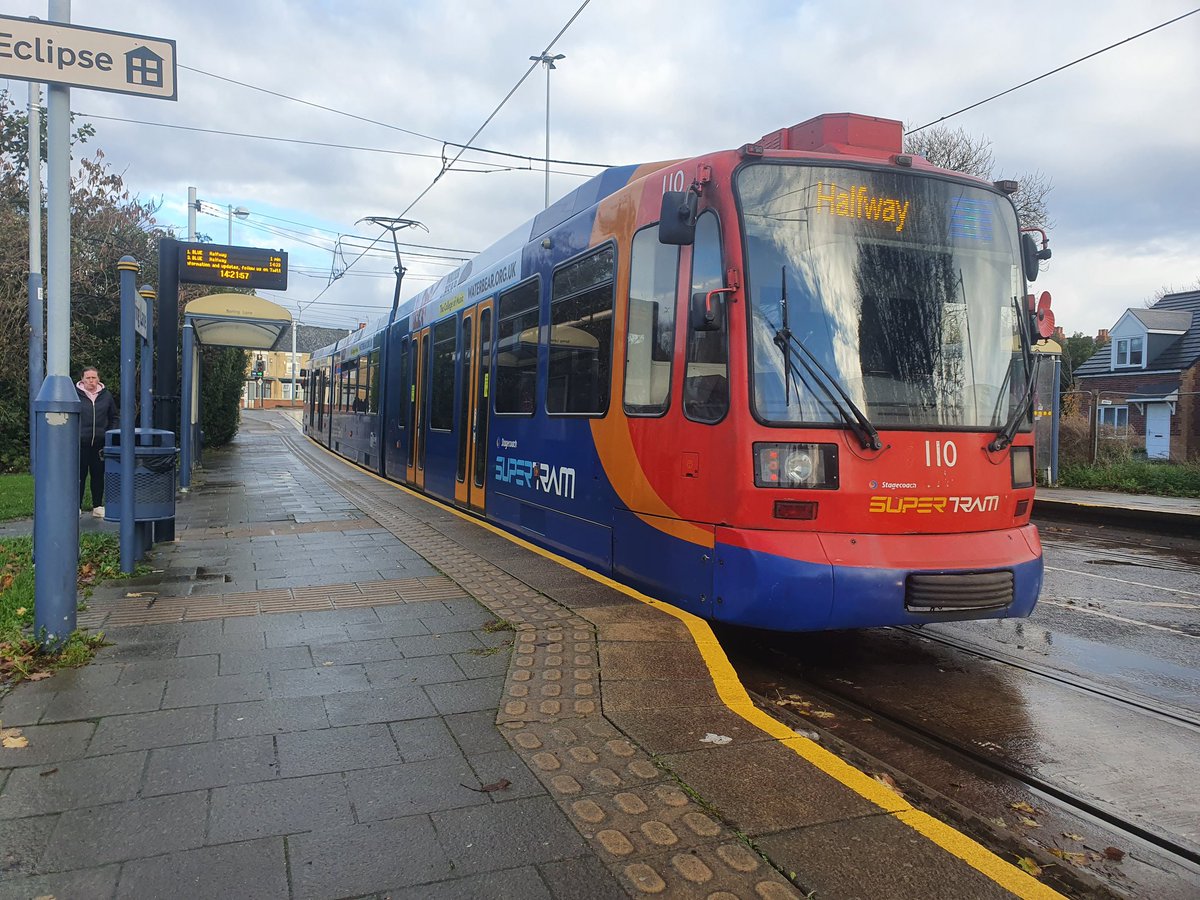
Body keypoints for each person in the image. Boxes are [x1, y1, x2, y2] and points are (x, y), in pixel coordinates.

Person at [77, 366, 118, 517]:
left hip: (100, 444)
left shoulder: (106, 396)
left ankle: (97, 506)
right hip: (80, 443)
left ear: (98, 379)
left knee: (98, 475)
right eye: (88, 378)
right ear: (82, 379)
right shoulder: (76, 395)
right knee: (79, 476)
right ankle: (77, 506)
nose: (91, 381)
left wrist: (109, 434)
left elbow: (114, 417)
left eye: (94, 378)